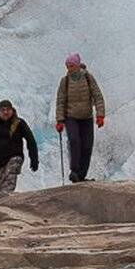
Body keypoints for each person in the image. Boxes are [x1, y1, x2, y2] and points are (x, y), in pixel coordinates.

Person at [54, 53, 105, 182]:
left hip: (86, 117)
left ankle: (81, 176)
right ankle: (74, 170)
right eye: (67, 66)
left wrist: (100, 115)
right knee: (74, 141)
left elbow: (97, 95)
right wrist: (60, 120)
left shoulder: (88, 78)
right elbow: (60, 101)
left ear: (77, 65)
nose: (69, 69)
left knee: (87, 146)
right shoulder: (64, 81)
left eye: (71, 66)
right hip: (71, 117)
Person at [0, 99, 39, 194]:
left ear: (12, 110)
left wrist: (34, 159)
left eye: (8, 109)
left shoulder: (19, 123)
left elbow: (31, 141)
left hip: (14, 157)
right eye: (3, 110)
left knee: (8, 184)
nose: (6, 112)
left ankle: (5, 198)